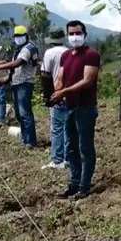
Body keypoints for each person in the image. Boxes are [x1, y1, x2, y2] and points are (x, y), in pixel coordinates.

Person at [50, 20, 101, 200]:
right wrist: (57, 86)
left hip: (85, 107)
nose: (74, 37)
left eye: (77, 33)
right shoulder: (66, 56)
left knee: (85, 147)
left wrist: (63, 91)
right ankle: (73, 183)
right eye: (71, 34)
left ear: (84, 34)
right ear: (67, 35)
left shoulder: (91, 55)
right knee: (70, 148)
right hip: (69, 107)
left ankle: (84, 186)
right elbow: (60, 76)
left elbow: (87, 81)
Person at [0, 25, 39, 148]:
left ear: (26, 36)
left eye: (20, 36)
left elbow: (17, 64)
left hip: (25, 83)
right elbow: (14, 69)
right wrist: (7, 79)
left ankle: (31, 141)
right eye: (16, 36)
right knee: (18, 113)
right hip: (16, 83)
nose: (18, 38)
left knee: (25, 112)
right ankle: (25, 137)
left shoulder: (29, 48)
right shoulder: (18, 50)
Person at [41, 27, 69, 170]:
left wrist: (47, 96)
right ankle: (69, 158)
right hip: (70, 93)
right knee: (69, 127)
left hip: (55, 93)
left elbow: (45, 75)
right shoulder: (69, 51)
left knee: (57, 128)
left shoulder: (49, 53)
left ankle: (57, 159)